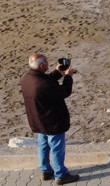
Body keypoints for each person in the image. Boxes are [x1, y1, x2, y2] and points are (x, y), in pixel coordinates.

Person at [21, 54, 80, 185]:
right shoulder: (43, 84)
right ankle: (61, 175)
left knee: (43, 146)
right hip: (51, 122)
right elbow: (64, 91)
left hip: (38, 121)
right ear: (42, 65)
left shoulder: (26, 78)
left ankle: (45, 171)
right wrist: (68, 76)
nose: (48, 64)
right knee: (57, 149)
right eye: (46, 63)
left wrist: (57, 72)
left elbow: (45, 81)